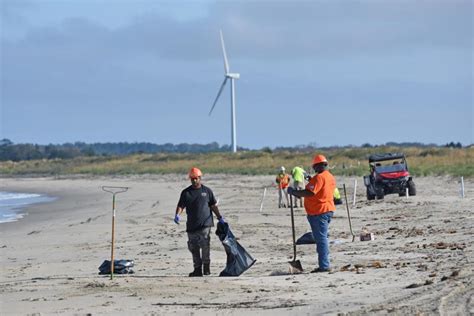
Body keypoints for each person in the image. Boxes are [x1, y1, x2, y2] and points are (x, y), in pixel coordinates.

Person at [287, 154, 336, 273]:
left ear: (317, 166)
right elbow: (319, 188)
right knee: (321, 238)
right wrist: (311, 180)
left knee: (321, 239)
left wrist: (294, 192)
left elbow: (310, 193)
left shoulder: (320, 178)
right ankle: (324, 264)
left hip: (319, 212)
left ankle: (324, 266)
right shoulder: (328, 176)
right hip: (326, 209)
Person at [174, 167, 224, 277]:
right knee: (193, 248)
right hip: (192, 226)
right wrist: (177, 215)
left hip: (205, 224)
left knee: (205, 246)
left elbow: (213, 206)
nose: (194, 180)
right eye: (192, 179)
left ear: (200, 178)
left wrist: (219, 217)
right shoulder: (186, 193)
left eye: (196, 178)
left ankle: (206, 268)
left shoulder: (207, 191)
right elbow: (181, 205)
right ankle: (197, 269)